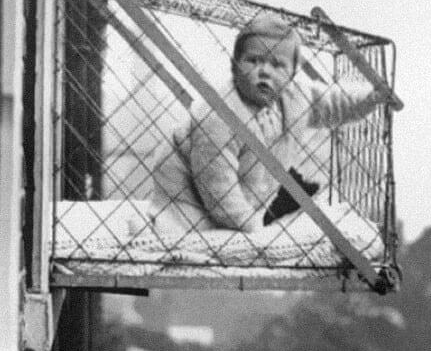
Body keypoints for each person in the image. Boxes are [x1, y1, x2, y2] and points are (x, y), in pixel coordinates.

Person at [148, 13, 392, 236]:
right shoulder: (218, 116)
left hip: (248, 184)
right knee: (186, 229)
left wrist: (370, 99)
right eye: (253, 60)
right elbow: (218, 188)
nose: (264, 71)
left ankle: (244, 219)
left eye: (277, 65)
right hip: (184, 184)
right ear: (234, 66)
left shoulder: (296, 98)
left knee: (239, 220)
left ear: (293, 73)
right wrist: (253, 229)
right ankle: (157, 222)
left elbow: (334, 104)